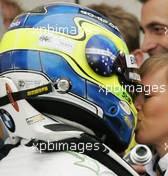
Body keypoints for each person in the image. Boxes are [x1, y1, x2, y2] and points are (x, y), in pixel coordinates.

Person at [0, 3, 140, 176]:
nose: (130, 89)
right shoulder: (87, 169)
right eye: (121, 70)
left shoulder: (10, 159)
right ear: (97, 58)